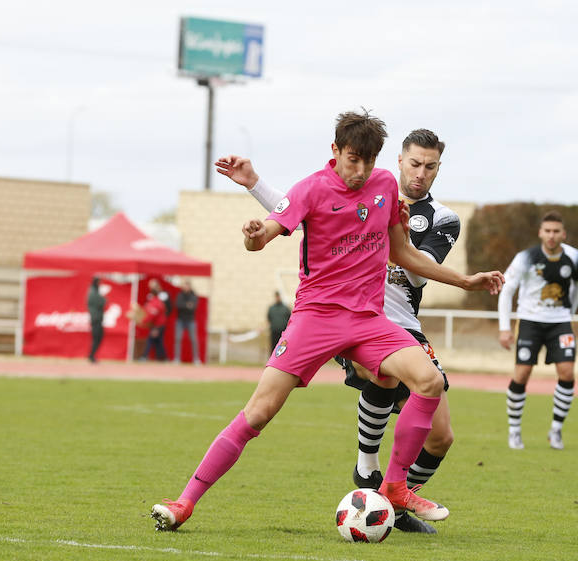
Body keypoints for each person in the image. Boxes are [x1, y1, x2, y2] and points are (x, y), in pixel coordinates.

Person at [151, 109, 503, 532]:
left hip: (369, 319)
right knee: (258, 412)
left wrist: (466, 281)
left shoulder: (385, 186)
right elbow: (264, 235)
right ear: (335, 151)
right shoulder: (311, 189)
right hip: (315, 319)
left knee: (427, 381)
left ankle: (394, 486)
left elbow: (403, 254)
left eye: (369, 162)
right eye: (353, 159)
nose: (360, 171)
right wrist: (252, 235)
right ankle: (185, 502)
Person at [224, 129, 458, 534]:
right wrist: (256, 186)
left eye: (430, 166)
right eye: (414, 163)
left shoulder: (441, 219)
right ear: (399, 161)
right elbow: (303, 208)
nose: (420, 173)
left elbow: (418, 274)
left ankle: (391, 503)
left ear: (439, 169)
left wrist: (391, 239)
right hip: (351, 318)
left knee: (441, 437)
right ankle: (367, 466)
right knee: (379, 373)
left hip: (404, 324)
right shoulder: (366, 187)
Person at [497, 210, 578, 450]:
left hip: (560, 322)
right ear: (540, 232)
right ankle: (514, 431)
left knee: (567, 373)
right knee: (522, 374)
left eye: (556, 231)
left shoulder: (575, 257)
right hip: (529, 321)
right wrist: (505, 328)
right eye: (547, 231)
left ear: (563, 233)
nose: (551, 235)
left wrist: (571, 314)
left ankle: (556, 430)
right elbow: (507, 290)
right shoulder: (525, 257)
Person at [174, 279, 201, 365]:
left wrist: (185, 305)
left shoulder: (193, 296)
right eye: (184, 286)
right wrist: (187, 305)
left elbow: (193, 307)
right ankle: (177, 359)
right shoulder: (180, 295)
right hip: (180, 320)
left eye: (187, 286)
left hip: (190, 320)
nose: (185, 287)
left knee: (193, 340)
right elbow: (178, 305)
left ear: (190, 287)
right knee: (178, 339)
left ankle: (196, 359)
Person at [139, 279, 168, 362]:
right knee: (158, 342)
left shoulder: (156, 302)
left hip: (158, 325)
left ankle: (144, 356)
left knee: (150, 340)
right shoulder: (153, 301)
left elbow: (152, 314)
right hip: (157, 324)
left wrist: (143, 321)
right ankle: (163, 358)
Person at [87, 277, 106, 363]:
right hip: (96, 319)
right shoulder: (93, 292)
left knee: (98, 337)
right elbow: (103, 302)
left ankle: (92, 355)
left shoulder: (94, 291)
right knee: (97, 338)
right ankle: (91, 356)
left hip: (97, 319)